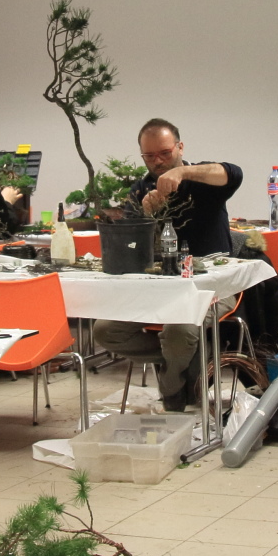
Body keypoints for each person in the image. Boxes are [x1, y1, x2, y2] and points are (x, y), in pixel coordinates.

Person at [93, 119, 243, 411]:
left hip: (211, 284)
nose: (158, 161)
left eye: (165, 153)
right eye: (149, 156)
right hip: (159, 287)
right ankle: (183, 357)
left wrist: (182, 171)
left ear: (180, 147)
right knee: (105, 330)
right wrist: (144, 215)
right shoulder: (141, 189)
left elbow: (234, 173)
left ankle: (172, 385)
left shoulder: (203, 180)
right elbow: (131, 247)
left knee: (179, 331)